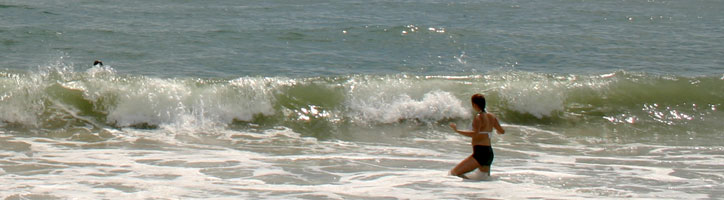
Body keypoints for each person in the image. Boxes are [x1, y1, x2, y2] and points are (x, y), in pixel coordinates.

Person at [449, 93, 505, 179]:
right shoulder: (492, 116)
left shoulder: (478, 117)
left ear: (474, 105)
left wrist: (457, 131)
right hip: (489, 153)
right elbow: (502, 131)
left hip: (480, 153)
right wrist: (494, 130)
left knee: (453, 174)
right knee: (481, 179)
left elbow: (475, 134)